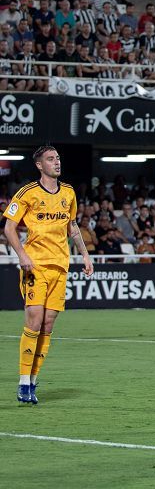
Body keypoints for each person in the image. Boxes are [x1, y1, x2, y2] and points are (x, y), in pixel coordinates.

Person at [4, 145, 94, 404]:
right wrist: (21, 255)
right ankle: (22, 383)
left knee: (48, 324)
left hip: (60, 266)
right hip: (35, 266)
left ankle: (33, 380)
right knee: (34, 319)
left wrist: (85, 254)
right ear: (39, 165)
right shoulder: (27, 193)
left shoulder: (68, 192)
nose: (56, 162)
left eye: (57, 158)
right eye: (50, 159)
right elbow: (9, 228)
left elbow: (73, 225)